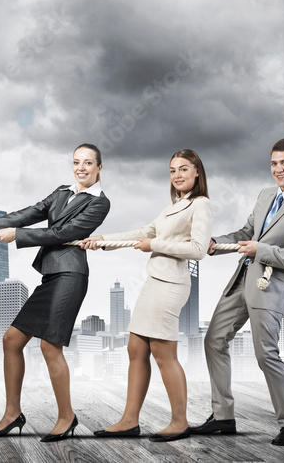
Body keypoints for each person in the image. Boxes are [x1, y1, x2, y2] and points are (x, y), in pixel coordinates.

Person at [0, 143, 110, 442]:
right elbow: (28, 213)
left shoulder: (100, 203)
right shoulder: (61, 192)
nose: (81, 168)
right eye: (76, 162)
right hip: (51, 275)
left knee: (49, 347)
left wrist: (19, 236)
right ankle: (13, 414)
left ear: (99, 168)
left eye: (88, 163)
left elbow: (63, 234)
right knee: (11, 340)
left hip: (70, 275)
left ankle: (67, 417)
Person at [190, 138, 284, 447]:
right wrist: (215, 242)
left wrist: (261, 250)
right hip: (241, 280)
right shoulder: (265, 195)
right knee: (214, 340)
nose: (278, 169)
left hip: (269, 286)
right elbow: (246, 234)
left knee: (266, 355)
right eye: (274, 163)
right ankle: (223, 416)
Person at [81, 149, 212, 442]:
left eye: (183, 169)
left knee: (163, 354)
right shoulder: (173, 206)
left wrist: (156, 244)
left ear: (197, 173)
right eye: (172, 170)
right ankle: (129, 420)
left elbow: (198, 249)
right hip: (154, 282)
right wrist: (104, 240)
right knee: (136, 349)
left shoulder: (201, 205)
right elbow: (144, 231)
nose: (177, 175)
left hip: (170, 285)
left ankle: (180, 422)